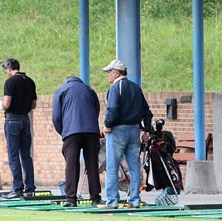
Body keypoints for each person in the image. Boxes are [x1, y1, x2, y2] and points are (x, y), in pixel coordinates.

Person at [101, 59, 152, 209]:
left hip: (118, 131)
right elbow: (147, 112)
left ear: (116, 73)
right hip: (134, 130)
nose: (107, 75)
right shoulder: (136, 88)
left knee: (112, 166)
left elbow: (113, 109)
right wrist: (147, 130)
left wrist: (108, 124)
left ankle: (112, 201)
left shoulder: (116, 88)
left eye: (109, 72)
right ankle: (134, 199)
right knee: (134, 166)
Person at [52, 75, 102, 207]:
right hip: (91, 131)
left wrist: (63, 131)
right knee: (92, 164)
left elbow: (56, 117)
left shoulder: (62, 90)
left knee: (71, 165)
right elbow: (96, 110)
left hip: (71, 132)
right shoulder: (89, 90)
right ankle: (95, 197)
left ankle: (71, 199)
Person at [0, 58, 37, 199]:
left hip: (13, 119)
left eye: (6, 71)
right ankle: (30, 188)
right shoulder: (30, 81)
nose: (6, 73)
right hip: (26, 119)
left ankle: (17, 189)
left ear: (9, 68)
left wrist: (1, 105)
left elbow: (7, 104)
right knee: (26, 155)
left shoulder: (10, 82)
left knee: (13, 155)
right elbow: (33, 105)